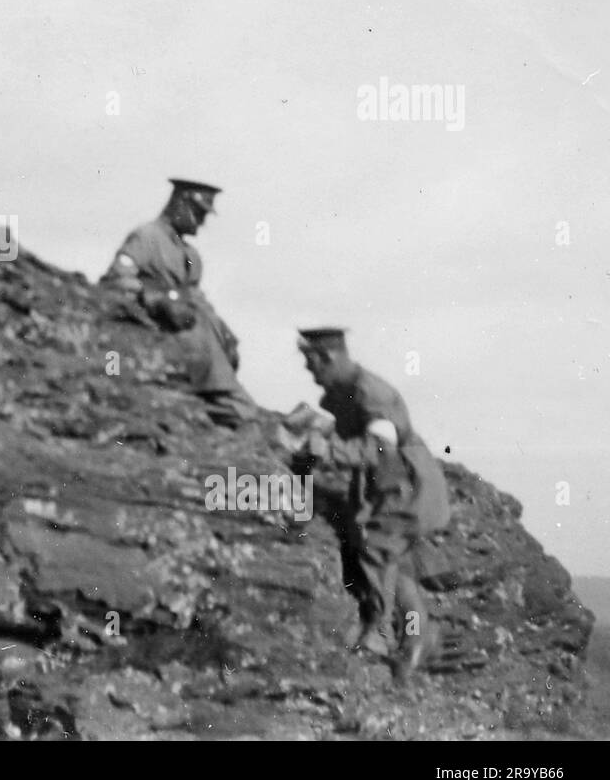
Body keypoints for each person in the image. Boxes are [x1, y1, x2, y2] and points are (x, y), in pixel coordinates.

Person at [292, 327, 451, 681]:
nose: (308, 370)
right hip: (386, 486)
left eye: (311, 362)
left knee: (376, 547)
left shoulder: (371, 392)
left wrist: (328, 449)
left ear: (328, 357)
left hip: (407, 487)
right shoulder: (342, 391)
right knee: (394, 562)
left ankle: (380, 635)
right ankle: (419, 637)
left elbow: (380, 448)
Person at [100, 179, 257, 427]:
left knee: (242, 408)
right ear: (181, 203)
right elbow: (116, 279)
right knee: (240, 410)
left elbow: (197, 300)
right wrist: (156, 299)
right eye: (198, 213)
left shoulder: (191, 255)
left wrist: (224, 332)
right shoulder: (147, 236)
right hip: (167, 334)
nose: (201, 222)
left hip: (200, 345)